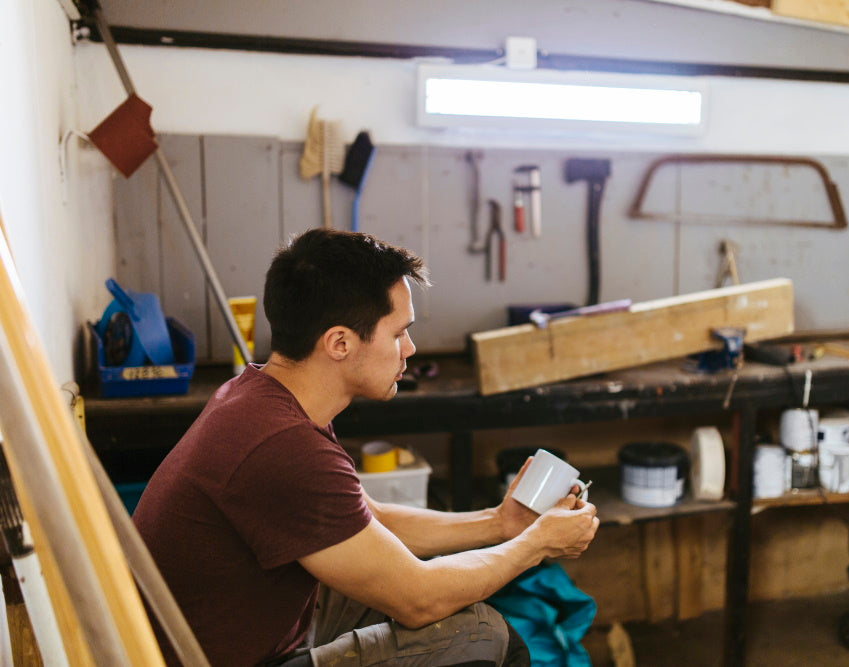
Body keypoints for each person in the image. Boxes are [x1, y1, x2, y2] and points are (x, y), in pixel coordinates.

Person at [133, 229, 600, 666]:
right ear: (339, 343)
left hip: (262, 631)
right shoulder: (282, 446)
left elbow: (372, 518)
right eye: (398, 333)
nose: (410, 349)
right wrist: (535, 544)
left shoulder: (263, 397)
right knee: (483, 634)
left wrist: (499, 523)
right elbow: (418, 600)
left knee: (416, 585)